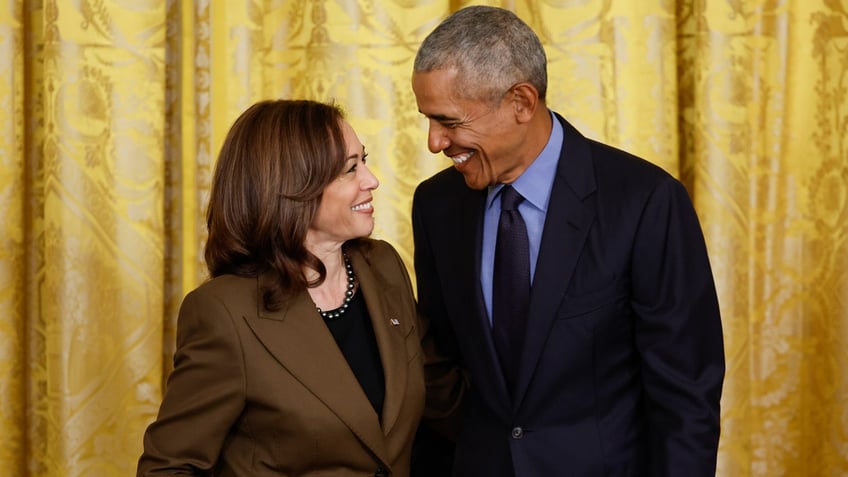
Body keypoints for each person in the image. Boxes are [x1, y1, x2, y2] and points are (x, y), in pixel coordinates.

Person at [410, 6, 725, 477]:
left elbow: (686, 396)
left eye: (449, 121)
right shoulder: (436, 205)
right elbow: (443, 371)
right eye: (427, 120)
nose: (434, 142)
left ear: (521, 101)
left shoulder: (645, 202)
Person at [137, 99, 462, 476]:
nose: (371, 180)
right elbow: (169, 467)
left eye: (365, 161)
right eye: (349, 169)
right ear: (291, 187)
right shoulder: (223, 312)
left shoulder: (383, 266)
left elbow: (443, 399)